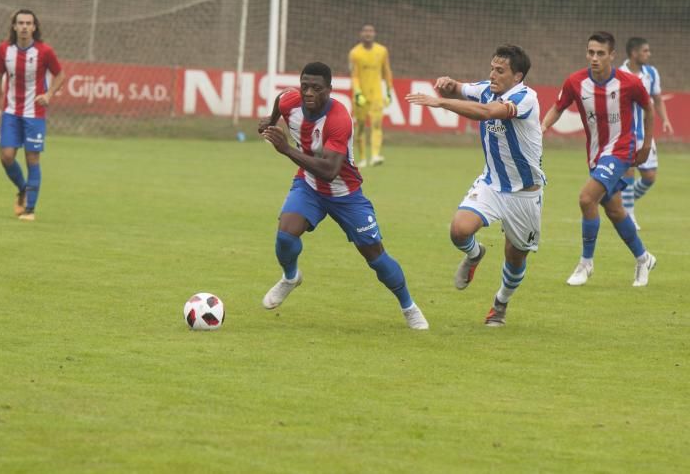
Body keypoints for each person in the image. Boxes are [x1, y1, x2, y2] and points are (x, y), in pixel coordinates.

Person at [257, 61, 428, 330]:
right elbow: (282, 97)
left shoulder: (338, 119)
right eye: (305, 86)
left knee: (376, 258)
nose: (309, 93)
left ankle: (409, 307)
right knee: (285, 236)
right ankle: (290, 278)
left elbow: (329, 170)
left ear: (329, 90)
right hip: (308, 186)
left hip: (345, 193)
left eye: (316, 88)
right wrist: (270, 119)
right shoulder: (292, 101)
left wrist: (286, 149)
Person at [405, 45, 544, 327]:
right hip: (492, 183)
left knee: (515, 257)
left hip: (525, 193)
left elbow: (485, 112)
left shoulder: (525, 97)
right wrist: (447, 85)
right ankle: (475, 253)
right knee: (459, 230)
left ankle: (500, 304)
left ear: (517, 76)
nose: (492, 74)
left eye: (500, 71)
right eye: (492, 68)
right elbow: (459, 88)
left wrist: (440, 103)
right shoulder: (485, 88)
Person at [541, 32, 656, 287]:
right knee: (614, 210)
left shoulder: (629, 83)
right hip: (596, 154)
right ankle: (643, 258)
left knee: (586, 198)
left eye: (600, 53)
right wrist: (543, 127)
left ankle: (586, 263)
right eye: (591, 52)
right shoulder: (575, 82)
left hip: (621, 150)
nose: (595, 58)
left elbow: (649, 108)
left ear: (612, 55)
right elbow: (558, 107)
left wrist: (645, 145)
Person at [0, 9, 65, 221]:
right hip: (11, 112)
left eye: (28, 23)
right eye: (20, 23)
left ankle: (30, 210)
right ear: (14, 26)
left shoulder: (44, 51)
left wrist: (49, 94)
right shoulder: (4, 50)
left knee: (32, 158)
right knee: (6, 157)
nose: (24, 27)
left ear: (34, 27)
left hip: (35, 114)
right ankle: (23, 189)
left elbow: (60, 74)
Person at [618, 37, 673, 230]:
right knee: (629, 172)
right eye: (645, 51)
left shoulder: (651, 73)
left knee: (649, 177)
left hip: (645, 133)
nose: (649, 54)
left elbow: (657, 99)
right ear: (634, 53)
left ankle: (622, 204)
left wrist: (665, 119)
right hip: (625, 133)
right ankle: (628, 215)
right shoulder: (619, 74)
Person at [348, 23, 393, 168]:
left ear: (374, 34)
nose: (368, 34)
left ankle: (375, 155)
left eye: (371, 31)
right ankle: (361, 158)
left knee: (376, 125)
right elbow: (354, 75)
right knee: (360, 126)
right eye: (365, 31)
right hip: (361, 96)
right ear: (361, 34)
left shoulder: (382, 51)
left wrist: (388, 90)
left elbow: (387, 71)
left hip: (376, 95)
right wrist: (357, 92)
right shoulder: (355, 53)